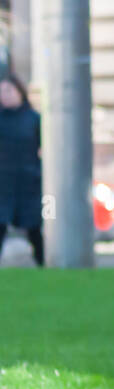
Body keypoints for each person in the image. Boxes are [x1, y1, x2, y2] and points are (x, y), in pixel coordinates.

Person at [0, 71, 43, 266]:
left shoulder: (34, 119)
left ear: (20, 92)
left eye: (8, 90)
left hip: (28, 182)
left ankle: (43, 265)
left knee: (34, 228)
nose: (4, 95)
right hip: (4, 182)